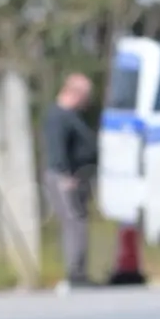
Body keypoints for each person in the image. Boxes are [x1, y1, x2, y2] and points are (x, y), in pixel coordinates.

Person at [42, 73, 99, 289]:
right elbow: (57, 148)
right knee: (73, 222)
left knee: (79, 222)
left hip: (77, 176)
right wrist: (65, 174)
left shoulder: (73, 115)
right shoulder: (58, 116)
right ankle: (74, 273)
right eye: (86, 95)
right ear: (75, 93)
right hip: (64, 177)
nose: (88, 100)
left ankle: (80, 271)